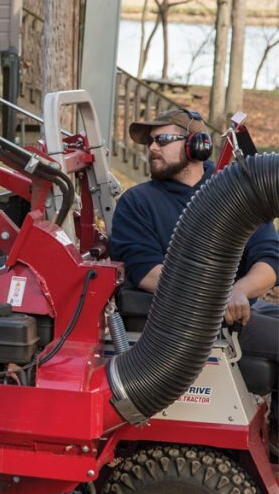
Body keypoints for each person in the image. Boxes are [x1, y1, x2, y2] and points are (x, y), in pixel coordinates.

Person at [109, 107, 279, 393]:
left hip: (242, 307)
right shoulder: (137, 202)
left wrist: (240, 290)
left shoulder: (235, 189)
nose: (151, 148)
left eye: (161, 140)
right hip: (187, 324)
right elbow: (146, 272)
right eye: (149, 142)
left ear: (196, 145)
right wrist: (217, 297)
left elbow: (269, 258)